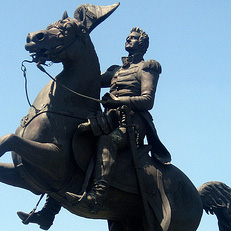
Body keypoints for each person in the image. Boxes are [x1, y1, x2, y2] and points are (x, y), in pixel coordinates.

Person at [17, 27, 171, 229]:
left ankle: (97, 195)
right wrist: (59, 56)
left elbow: (147, 100)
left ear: (142, 44)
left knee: (108, 141)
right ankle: (48, 212)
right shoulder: (116, 70)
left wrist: (117, 100)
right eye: (128, 37)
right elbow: (86, 78)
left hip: (132, 123)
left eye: (133, 39)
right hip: (109, 120)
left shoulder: (148, 67)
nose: (129, 40)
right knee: (70, 148)